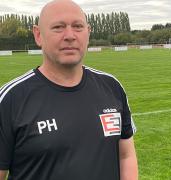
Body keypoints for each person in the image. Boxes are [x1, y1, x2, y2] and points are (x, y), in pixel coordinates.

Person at [0, 0, 138, 179]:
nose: (70, 35)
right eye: (58, 27)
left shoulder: (112, 87)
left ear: (88, 32)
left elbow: (126, 155)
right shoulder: (10, 99)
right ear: (38, 35)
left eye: (78, 26)